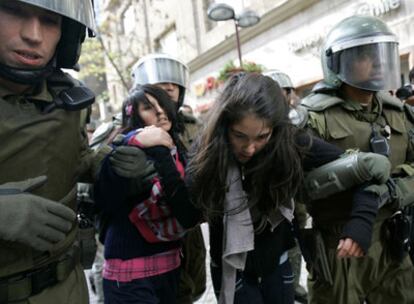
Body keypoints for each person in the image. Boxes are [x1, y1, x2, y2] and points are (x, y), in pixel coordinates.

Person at [187, 72, 388, 304]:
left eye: (262, 137)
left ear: (276, 128)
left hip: (277, 264)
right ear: (224, 126)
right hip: (230, 268)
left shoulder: (290, 141)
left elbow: (366, 170)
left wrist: (360, 223)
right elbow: (186, 213)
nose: (250, 148)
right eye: (239, 135)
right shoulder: (206, 152)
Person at [301, 15, 414, 303]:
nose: (376, 61)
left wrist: (391, 189)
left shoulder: (398, 112)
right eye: (364, 54)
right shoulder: (314, 118)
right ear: (338, 63)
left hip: (392, 237)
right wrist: (357, 173)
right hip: (339, 243)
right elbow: (301, 188)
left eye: (379, 53)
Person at [0, 0, 96, 303]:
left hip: (67, 289)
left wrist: (114, 160)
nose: (33, 34)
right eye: (14, 11)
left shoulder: (69, 101)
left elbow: (76, 162)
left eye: (51, 20)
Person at [94, 85, 200, 303]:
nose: (160, 111)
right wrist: (131, 141)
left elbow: (187, 211)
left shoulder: (175, 148)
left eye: (163, 104)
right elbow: (103, 192)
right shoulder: (125, 150)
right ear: (133, 114)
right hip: (131, 277)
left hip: (171, 269)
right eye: (149, 107)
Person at [131, 53, 206, 303]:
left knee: (191, 287)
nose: (169, 87)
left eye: (174, 84)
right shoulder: (123, 130)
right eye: (161, 85)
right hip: (145, 236)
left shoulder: (194, 126)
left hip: (188, 228)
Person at [265, 69, 308, 304]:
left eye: (285, 91)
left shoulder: (300, 118)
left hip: (299, 202)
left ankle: (293, 285)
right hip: (275, 203)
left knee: (297, 246)